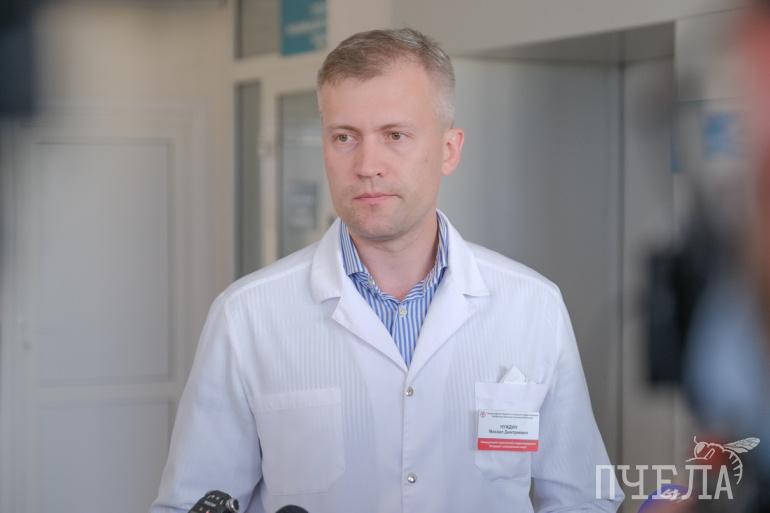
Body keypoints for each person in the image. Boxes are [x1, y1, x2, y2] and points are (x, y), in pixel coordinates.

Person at [151, 28, 623, 513]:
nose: (367, 165)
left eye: (395, 136)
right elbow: (189, 503)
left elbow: (584, 499)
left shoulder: (533, 307)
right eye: (344, 137)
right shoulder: (247, 317)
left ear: (449, 149)